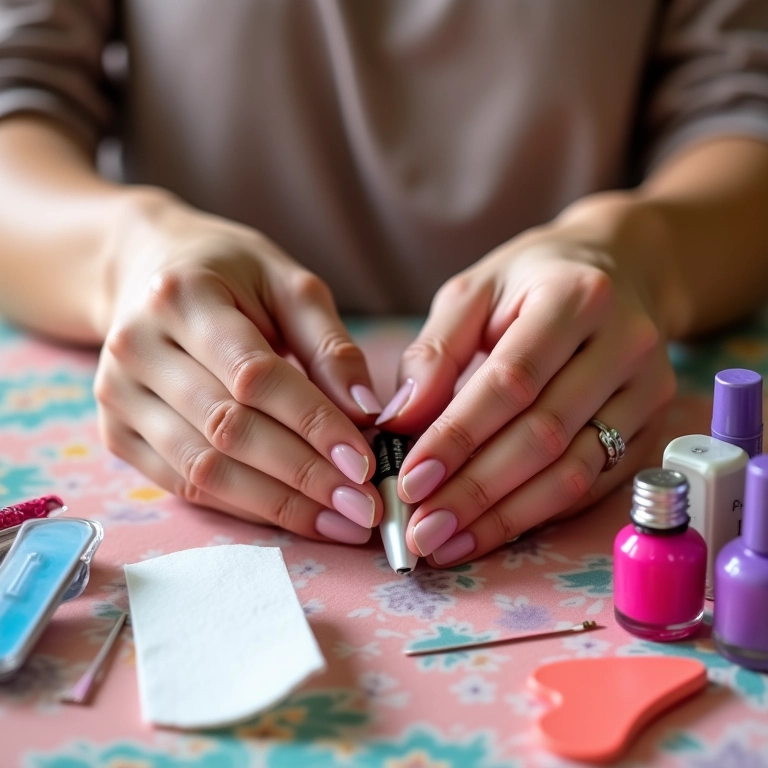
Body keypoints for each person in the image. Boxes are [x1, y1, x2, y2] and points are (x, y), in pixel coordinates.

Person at [1, 1, 767, 568]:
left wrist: (638, 258)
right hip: (181, 417)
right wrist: (126, 256)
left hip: (589, 419)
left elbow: (741, 111)